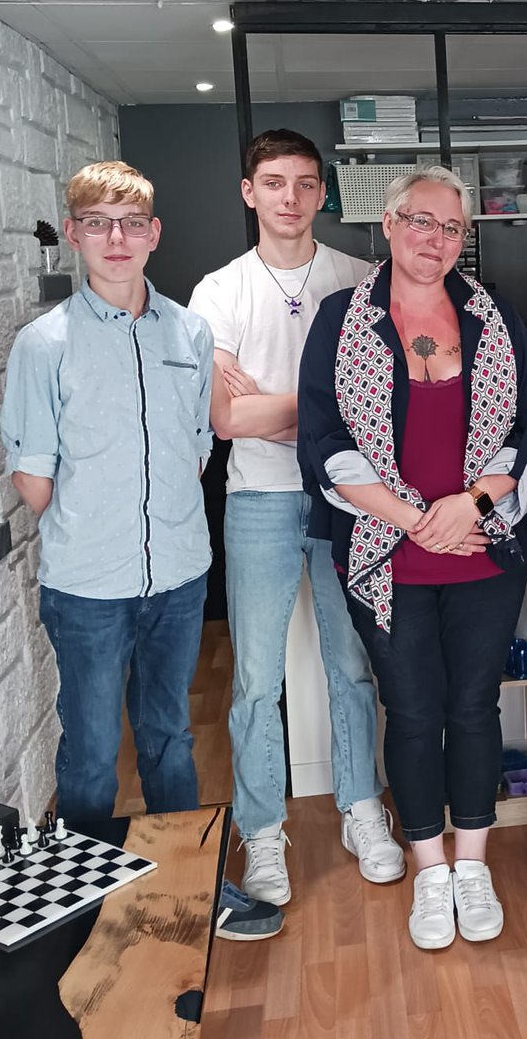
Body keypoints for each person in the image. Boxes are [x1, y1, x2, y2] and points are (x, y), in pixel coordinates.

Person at [298, 167, 527, 951]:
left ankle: (471, 863)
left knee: (474, 707)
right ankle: (429, 868)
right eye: (419, 222)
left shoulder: (494, 314)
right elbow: (324, 441)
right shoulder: (343, 318)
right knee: (409, 711)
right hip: (385, 555)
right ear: (388, 225)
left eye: (449, 228)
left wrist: (467, 506)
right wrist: (415, 519)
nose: (434, 240)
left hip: (482, 546)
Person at [188, 130, 401, 907]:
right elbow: (226, 419)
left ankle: (359, 806)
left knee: (351, 664)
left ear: (322, 195)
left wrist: (281, 411)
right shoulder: (218, 293)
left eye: (304, 184)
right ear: (249, 192)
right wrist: (320, 412)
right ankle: (264, 832)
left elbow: (376, 407)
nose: (289, 197)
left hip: (349, 497)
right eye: (273, 182)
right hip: (261, 500)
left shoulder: (360, 279)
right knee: (254, 679)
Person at [1, 161, 213, 823]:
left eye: (130, 225)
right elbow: (35, 481)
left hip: (179, 577)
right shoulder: (44, 344)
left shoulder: (191, 333)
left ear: (154, 234)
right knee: (91, 754)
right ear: (74, 233)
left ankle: (189, 890)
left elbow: (197, 447)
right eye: (98, 224)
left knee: (170, 742)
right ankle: (84, 907)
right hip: (89, 587)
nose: (115, 239)